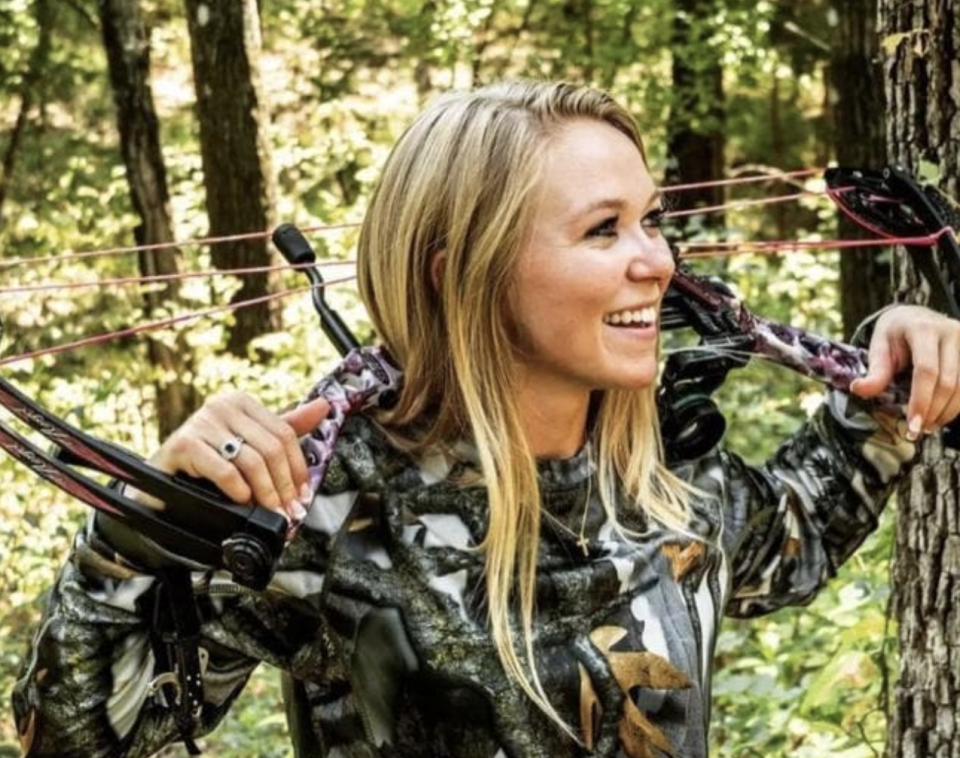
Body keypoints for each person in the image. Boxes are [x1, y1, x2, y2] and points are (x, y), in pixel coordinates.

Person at [12, 80, 960, 758]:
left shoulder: (667, 479)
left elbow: (792, 539)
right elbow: (80, 736)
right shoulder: (329, 506)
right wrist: (136, 536)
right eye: (603, 229)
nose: (659, 263)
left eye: (653, 219)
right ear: (460, 272)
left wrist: (894, 360)